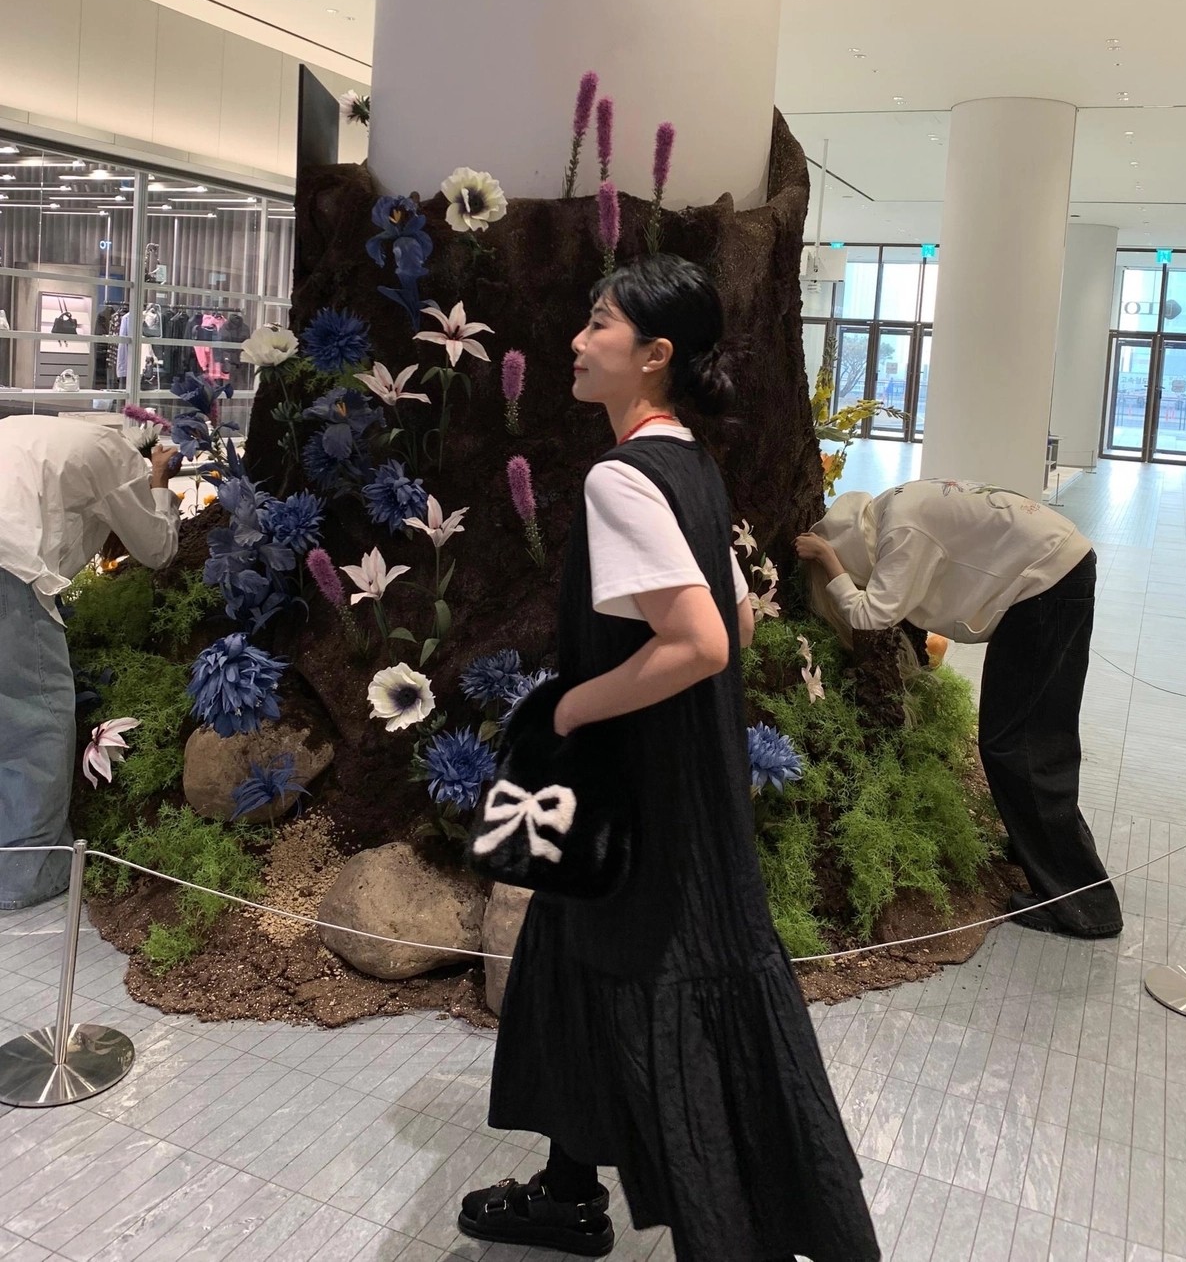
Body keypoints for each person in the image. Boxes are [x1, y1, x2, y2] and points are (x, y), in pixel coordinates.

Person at [461, 257, 878, 1261]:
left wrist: (568, 708)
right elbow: (741, 612)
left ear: (654, 354)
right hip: (683, 787)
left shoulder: (619, 477)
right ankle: (569, 1192)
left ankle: (722, 1235)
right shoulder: (690, 461)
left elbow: (701, 641)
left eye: (598, 324)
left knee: (664, 1005)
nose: (575, 341)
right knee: (574, 962)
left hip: (641, 799)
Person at [796, 480, 1122, 940]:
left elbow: (872, 615)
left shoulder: (901, 533)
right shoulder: (893, 506)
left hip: (1044, 585)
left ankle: (1082, 903)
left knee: (1017, 743)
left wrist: (831, 564)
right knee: (1041, 734)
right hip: (1056, 569)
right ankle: (1046, 854)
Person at [0, 416, 181, 908]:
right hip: (7, 570)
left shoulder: (37, 434)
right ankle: (24, 876)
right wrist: (160, 484)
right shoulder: (113, 455)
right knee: (35, 723)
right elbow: (157, 548)